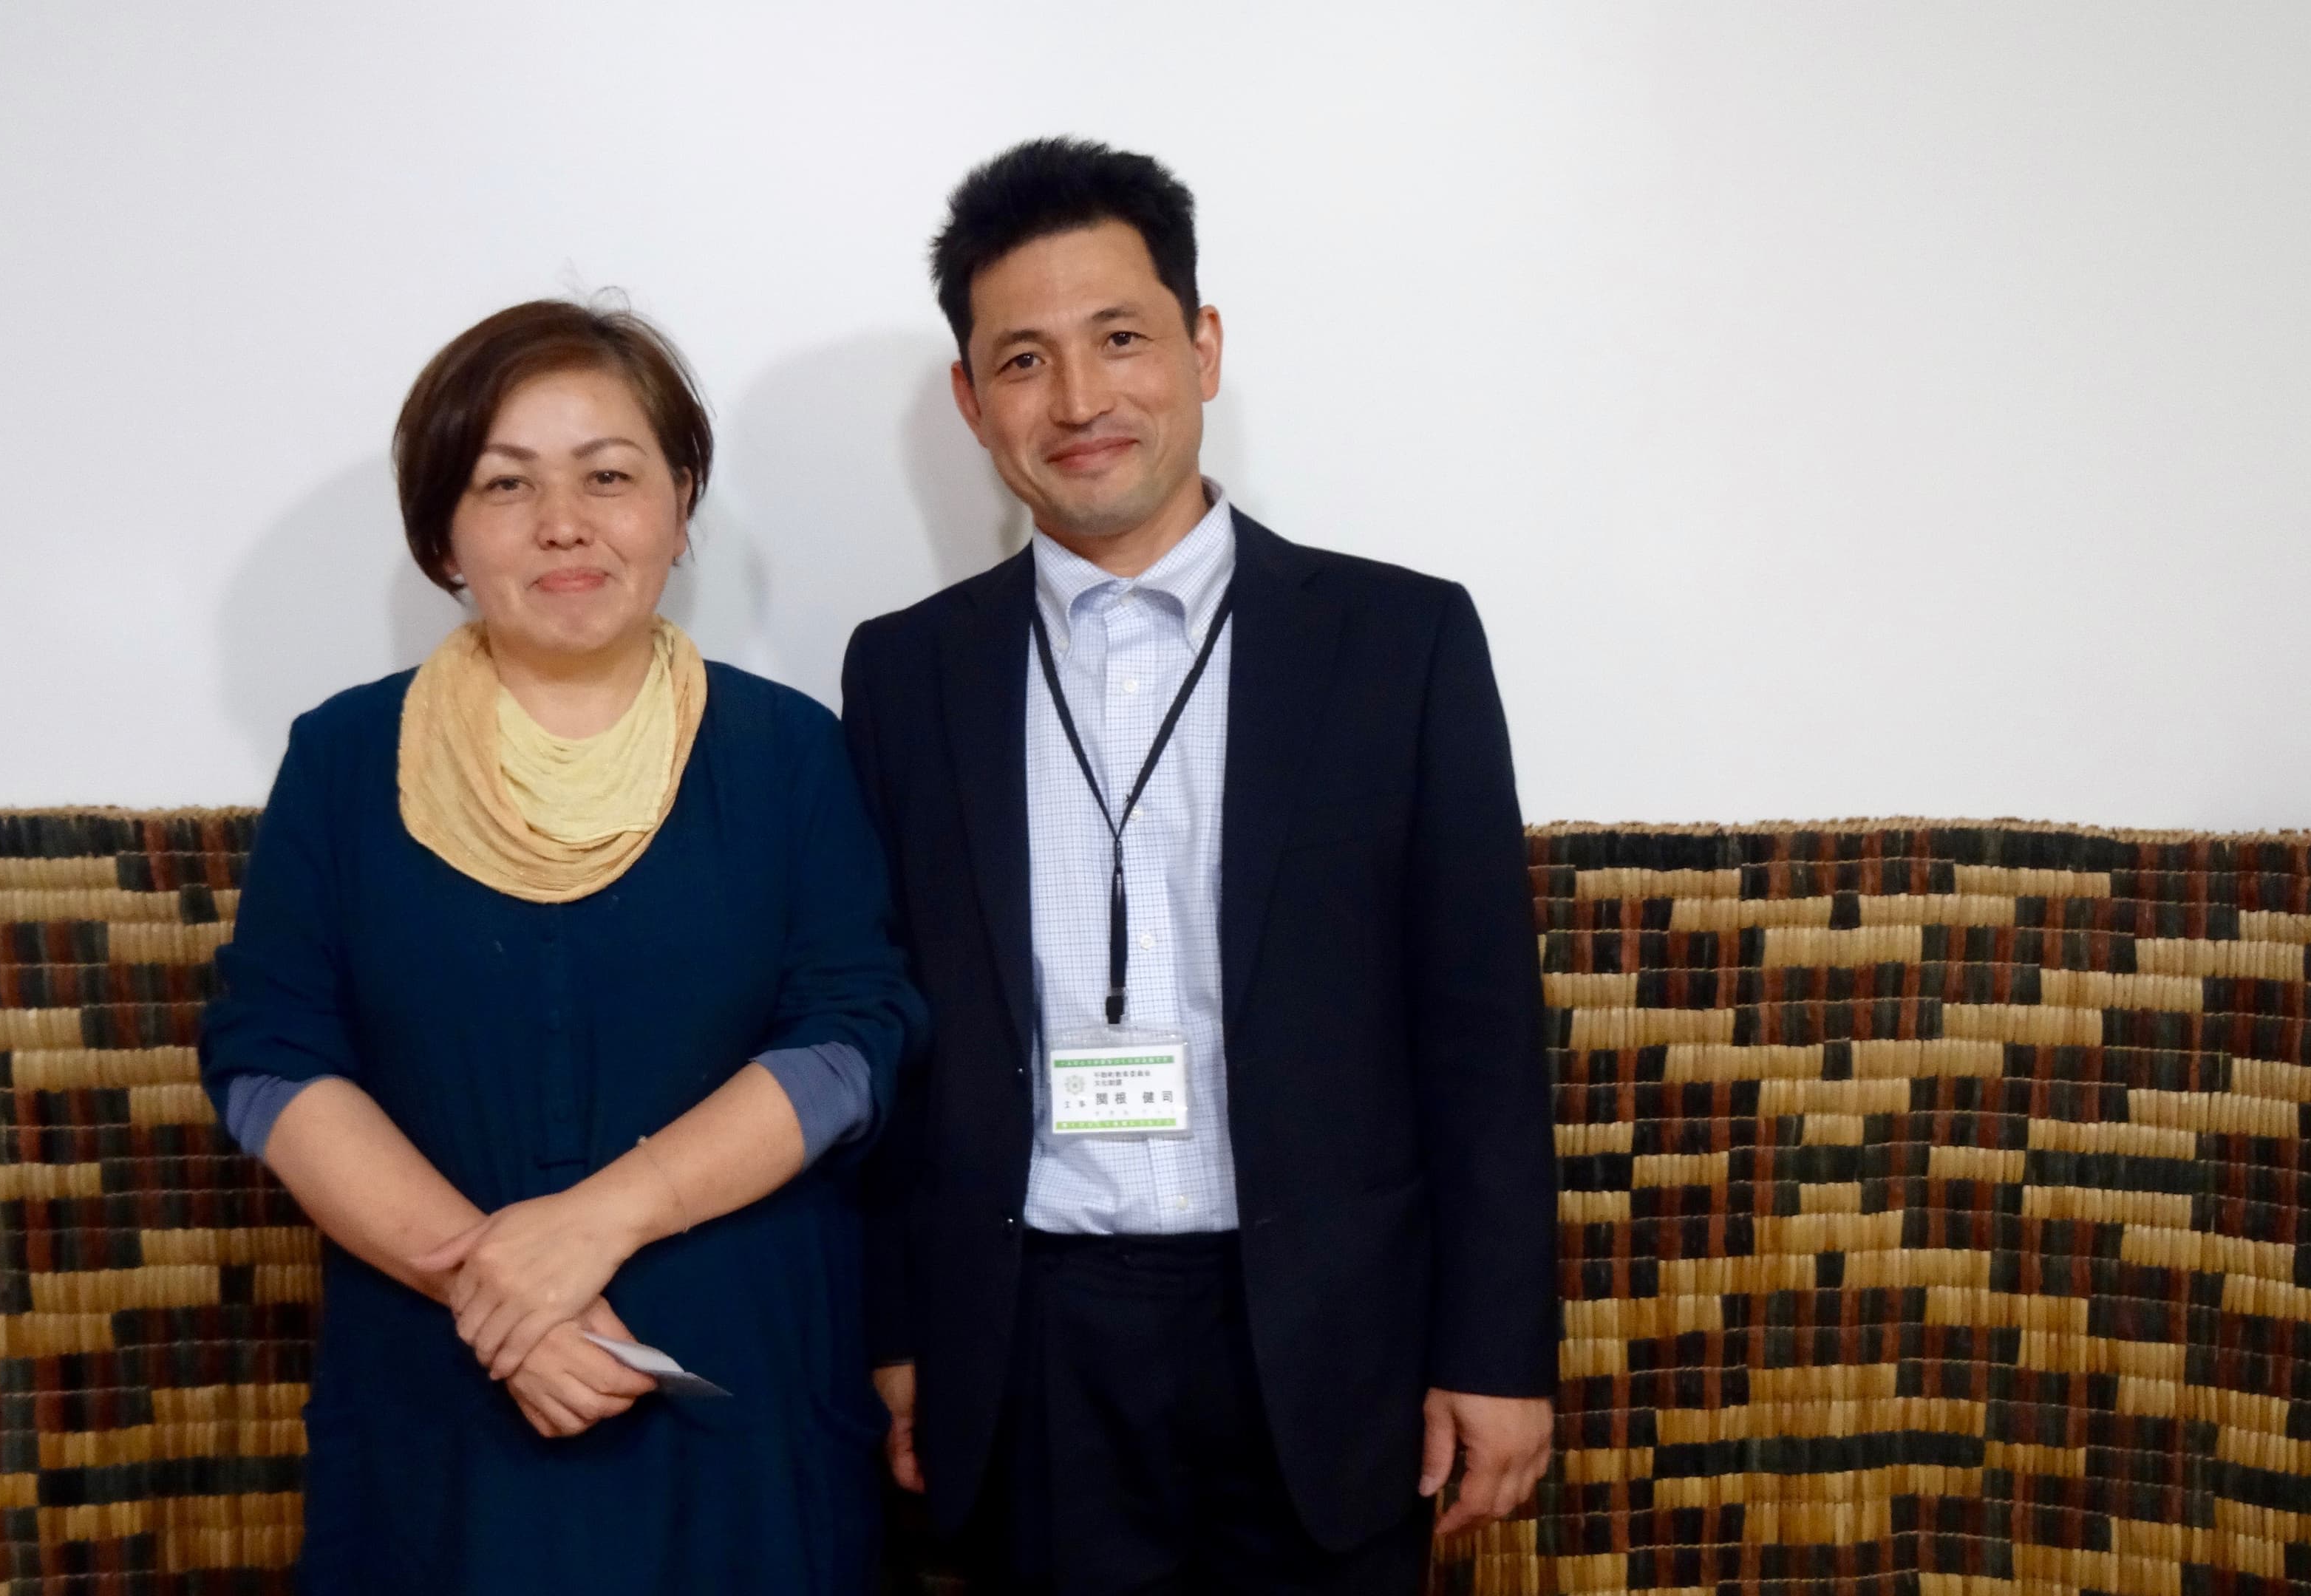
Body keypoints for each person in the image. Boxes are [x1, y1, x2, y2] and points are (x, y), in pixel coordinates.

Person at [841, 138, 1559, 1594]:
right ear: (975, 403)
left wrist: (1495, 1352)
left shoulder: (1399, 643)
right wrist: (902, 1333)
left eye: (1121, 338)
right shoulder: (906, 671)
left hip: (1328, 1340)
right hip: (1024, 1342)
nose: (1084, 399)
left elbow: (1477, 1029)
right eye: (1025, 360)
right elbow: (895, 1030)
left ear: (1203, 346)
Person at [200, 299, 924, 1594]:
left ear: (681, 502)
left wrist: (592, 1227)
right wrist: (501, 1299)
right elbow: (270, 1060)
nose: (565, 523)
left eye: (610, 475)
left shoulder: (787, 752)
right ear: (441, 536)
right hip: (446, 1395)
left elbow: (853, 1043)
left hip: (737, 1400)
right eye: (506, 483)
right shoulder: (346, 758)